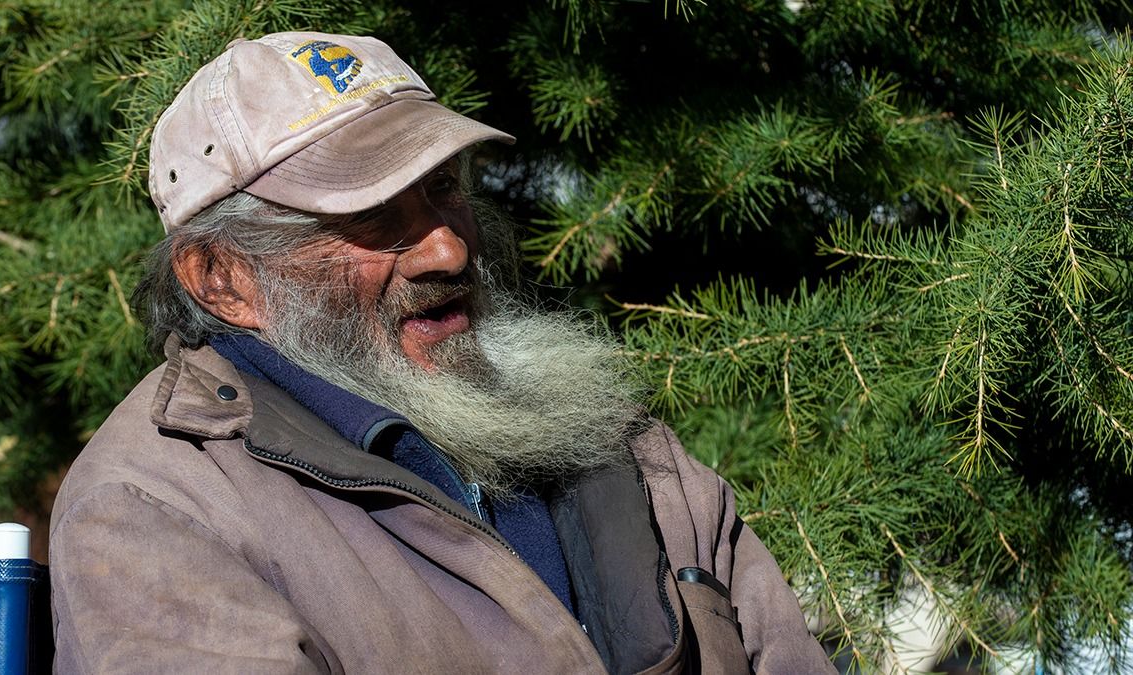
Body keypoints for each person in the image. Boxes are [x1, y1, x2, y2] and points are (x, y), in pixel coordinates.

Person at [48, 32, 835, 673]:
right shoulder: (154, 511)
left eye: (444, 187)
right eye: (371, 213)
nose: (448, 249)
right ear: (223, 279)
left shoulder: (606, 432)